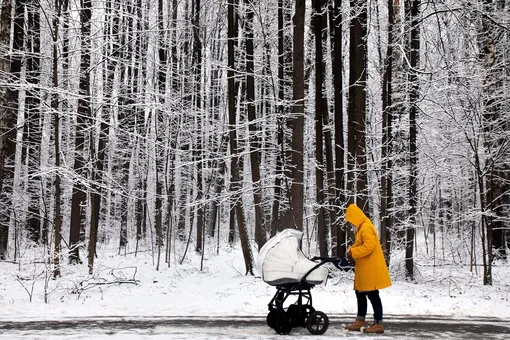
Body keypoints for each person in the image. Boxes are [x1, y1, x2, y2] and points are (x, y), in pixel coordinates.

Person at [344, 203, 392, 334]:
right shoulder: (362, 228)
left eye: (351, 221)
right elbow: (362, 244)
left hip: (370, 269)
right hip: (365, 268)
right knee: (360, 293)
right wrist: (352, 248)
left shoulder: (366, 227)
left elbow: (368, 246)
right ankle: (360, 320)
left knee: (372, 294)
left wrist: (354, 252)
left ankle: (378, 323)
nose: (351, 224)